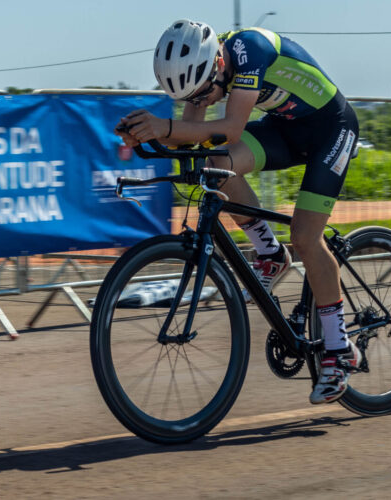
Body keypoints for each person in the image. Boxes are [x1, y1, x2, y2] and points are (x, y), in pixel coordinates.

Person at [116, 19, 361, 404]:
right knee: (214, 164)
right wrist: (146, 135)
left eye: (203, 93)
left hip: (332, 129)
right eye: (192, 97)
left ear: (216, 65)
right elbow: (189, 136)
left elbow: (230, 127)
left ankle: (339, 348)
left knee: (306, 237)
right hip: (286, 129)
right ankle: (268, 251)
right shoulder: (205, 74)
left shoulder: (251, 50)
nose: (202, 100)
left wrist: (163, 126)